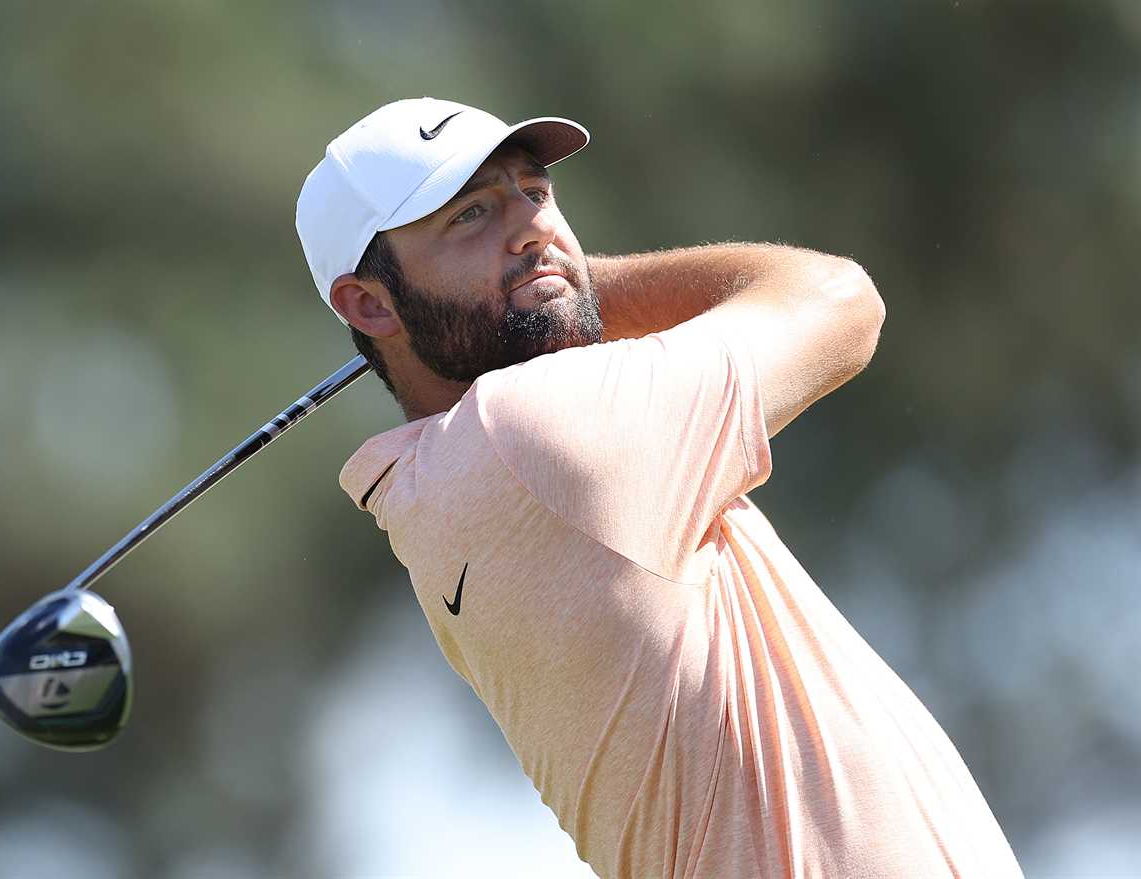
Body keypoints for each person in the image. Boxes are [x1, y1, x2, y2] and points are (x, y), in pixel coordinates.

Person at [295, 97, 1023, 878]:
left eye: (535, 193)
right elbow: (840, 300)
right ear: (369, 303)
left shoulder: (439, 483)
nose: (535, 226)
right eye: (471, 214)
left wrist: (532, 279)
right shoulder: (533, 428)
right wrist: (572, 281)